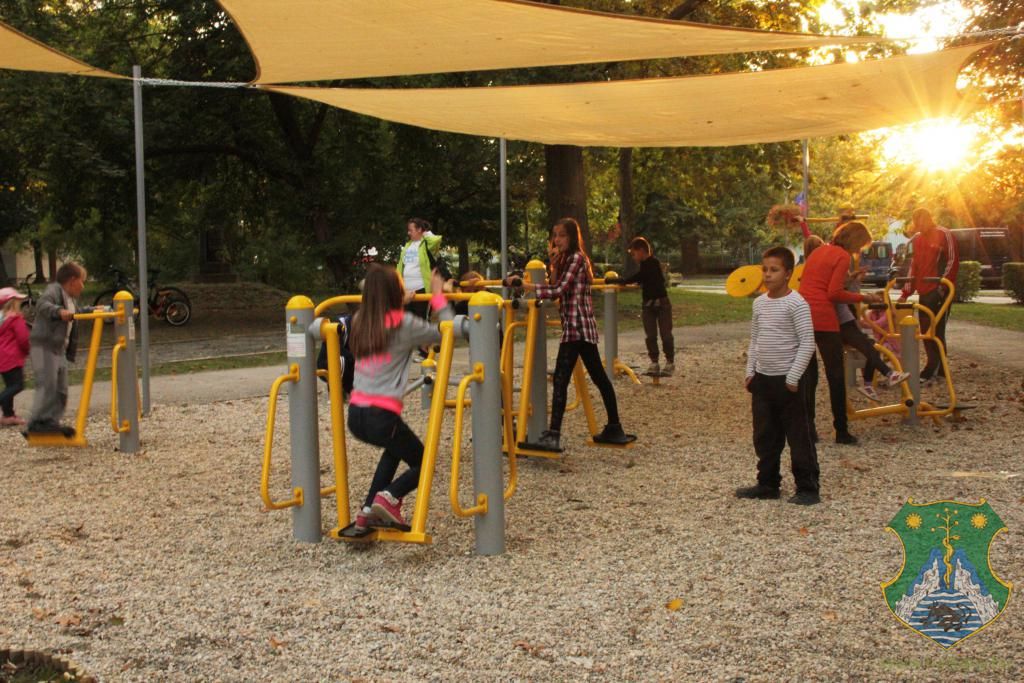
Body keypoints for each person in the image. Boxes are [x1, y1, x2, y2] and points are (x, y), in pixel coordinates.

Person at [507, 217, 633, 451]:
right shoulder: (566, 260)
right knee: (597, 377)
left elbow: (558, 289)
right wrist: (553, 264)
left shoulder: (576, 258)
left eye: (562, 235)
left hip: (577, 326)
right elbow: (556, 292)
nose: (557, 240)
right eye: (555, 236)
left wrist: (524, 286)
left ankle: (553, 434)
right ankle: (614, 427)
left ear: (572, 237)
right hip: (578, 327)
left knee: (562, 379)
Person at [347, 264, 452, 533]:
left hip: (357, 415)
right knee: (424, 461)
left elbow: (385, 317)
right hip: (381, 415)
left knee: (394, 449)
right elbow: (448, 331)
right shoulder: (405, 324)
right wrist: (439, 296)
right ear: (396, 292)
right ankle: (389, 497)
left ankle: (367, 512)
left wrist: (400, 302)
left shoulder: (360, 320)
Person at [736, 246, 820, 505]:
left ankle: (807, 487)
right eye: (765, 269)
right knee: (765, 434)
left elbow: (807, 342)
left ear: (788, 273)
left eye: (774, 270)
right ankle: (768, 483)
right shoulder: (760, 303)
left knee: (798, 435)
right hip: (763, 379)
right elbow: (755, 339)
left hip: (789, 381)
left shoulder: (797, 304)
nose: (768, 275)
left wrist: (793, 377)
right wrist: (751, 371)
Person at [799, 222, 882, 445]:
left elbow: (819, 283)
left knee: (809, 378)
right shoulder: (842, 256)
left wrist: (850, 280)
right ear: (856, 240)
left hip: (802, 316)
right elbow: (834, 293)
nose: (859, 251)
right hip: (823, 318)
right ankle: (841, 431)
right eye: (861, 245)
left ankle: (809, 430)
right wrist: (865, 298)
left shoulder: (819, 252)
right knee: (835, 376)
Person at [26, 262, 87, 437]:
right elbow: (42, 305)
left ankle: (51, 421)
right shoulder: (54, 290)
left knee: (61, 389)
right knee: (48, 385)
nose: (83, 286)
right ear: (72, 280)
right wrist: (58, 312)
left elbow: (76, 312)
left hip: (58, 348)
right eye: (82, 281)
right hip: (44, 345)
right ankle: (38, 422)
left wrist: (94, 310)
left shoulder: (70, 298)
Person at [899, 208, 959, 383]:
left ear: (929, 219)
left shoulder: (943, 234)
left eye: (921, 222)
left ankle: (936, 369)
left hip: (939, 289)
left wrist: (943, 283)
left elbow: (952, 260)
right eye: (916, 223)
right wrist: (906, 292)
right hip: (924, 291)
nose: (919, 226)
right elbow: (914, 266)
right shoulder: (917, 239)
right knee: (926, 330)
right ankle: (935, 367)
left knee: (937, 330)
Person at [606, 237, 675, 376]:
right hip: (648, 304)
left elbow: (643, 276)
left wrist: (625, 281)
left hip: (661, 303)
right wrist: (628, 282)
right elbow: (644, 278)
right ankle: (654, 361)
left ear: (642, 251)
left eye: (634, 253)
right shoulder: (644, 265)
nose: (633, 257)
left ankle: (670, 361)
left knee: (666, 334)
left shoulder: (653, 263)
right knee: (650, 335)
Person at [396, 217, 445, 320]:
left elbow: (436, 240)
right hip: (406, 291)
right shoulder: (407, 245)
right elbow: (400, 266)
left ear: (419, 230)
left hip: (421, 289)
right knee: (406, 321)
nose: (408, 233)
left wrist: (425, 232)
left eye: (411, 230)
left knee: (421, 320)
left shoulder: (427, 244)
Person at [0, 287, 31, 426]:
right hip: (12, 357)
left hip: (2, 357)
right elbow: (23, 339)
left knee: (9, 385)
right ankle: (5, 408)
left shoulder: (2, 319)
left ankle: (8, 415)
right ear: (12, 303)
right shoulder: (15, 319)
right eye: (17, 300)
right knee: (18, 385)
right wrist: (29, 349)